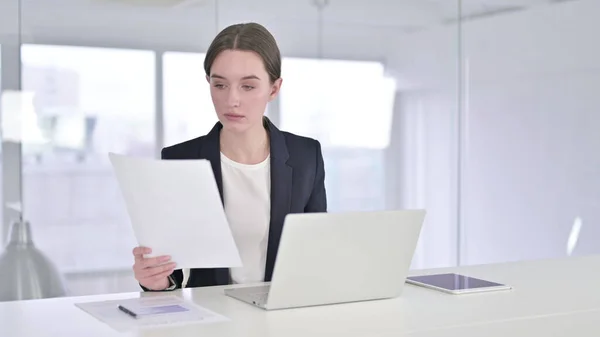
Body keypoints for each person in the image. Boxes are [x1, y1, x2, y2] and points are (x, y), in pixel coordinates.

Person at [131, 22, 327, 291]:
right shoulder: (181, 159)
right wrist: (155, 278)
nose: (231, 100)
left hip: (284, 315)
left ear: (274, 89)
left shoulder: (307, 156)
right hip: (213, 320)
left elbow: (317, 251)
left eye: (248, 86)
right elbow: (173, 270)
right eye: (220, 84)